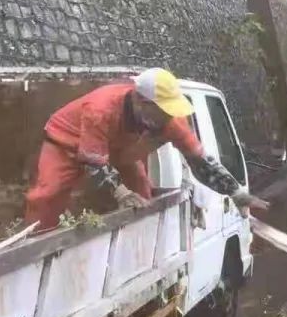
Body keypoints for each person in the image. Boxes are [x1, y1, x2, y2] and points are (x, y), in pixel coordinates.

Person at [25, 68, 267, 230]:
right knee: (48, 194)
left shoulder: (169, 119)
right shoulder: (100, 110)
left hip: (119, 149)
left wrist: (234, 191)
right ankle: (36, 244)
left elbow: (200, 161)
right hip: (67, 143)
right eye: (161, 110)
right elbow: (94, 162)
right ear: (140, 101)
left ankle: (136, 245)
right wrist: (120, 193)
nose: (167, 116)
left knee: (141, 192)